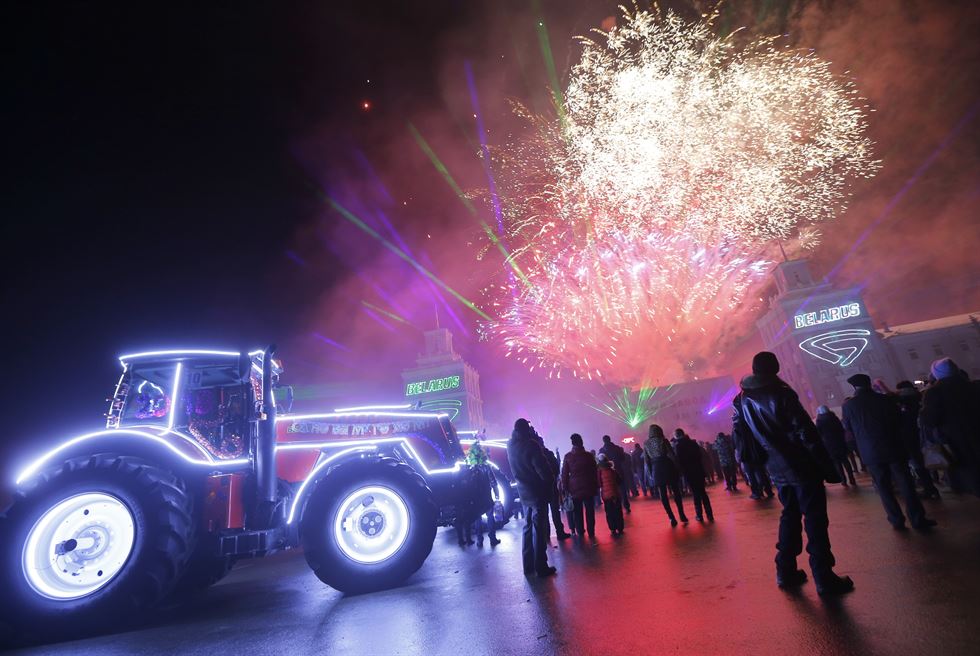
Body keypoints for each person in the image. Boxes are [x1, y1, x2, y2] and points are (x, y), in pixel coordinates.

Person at [732, 351, 853, 595]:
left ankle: (785, 570)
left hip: (776, 467)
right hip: (801, 464)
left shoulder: (743, 399)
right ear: (775, 368)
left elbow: (745, 435)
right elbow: (805, 432)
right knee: (815, 519)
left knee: (790, 515)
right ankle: (823, 576)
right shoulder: (781, 393)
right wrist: (825, 465)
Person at [843, 374, 936, 532]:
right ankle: (917, 519)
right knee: (906, 484)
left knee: (884, 487)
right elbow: (899, 420)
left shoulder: (849, 406)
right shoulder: (884, 400)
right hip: (893, 447)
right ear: (869, 384)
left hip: (870, 452)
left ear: (854, 387)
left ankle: (896, 520)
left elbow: (848, 428)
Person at [921, 358, 980, 496]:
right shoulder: (973, 386)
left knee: (971, 471)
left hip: (956, 439)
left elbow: (929, 420)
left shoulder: (935, 392)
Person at [506, 418, 557, 577]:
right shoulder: (531, 446)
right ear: (527, 430)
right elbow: (544, 472)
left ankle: (528, 565)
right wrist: (551, 480)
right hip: (537, 492)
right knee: (539, 530)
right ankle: (541, 566)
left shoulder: (510, 445)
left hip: (523, 493)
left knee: (527, 528)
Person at [894, 381, 941, 499]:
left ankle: (929, 488)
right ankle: (932, 483)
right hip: (925, 434)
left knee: (917, 464)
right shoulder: (921, 397)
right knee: (926, 460)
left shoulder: (903, 402)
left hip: (910, 437)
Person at [643, 424, 688, 526]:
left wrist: (650, 474)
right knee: (676, 491)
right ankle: (682, 514)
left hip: (656, 469)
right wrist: (678, 467)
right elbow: (671, 455)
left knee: (663, 494)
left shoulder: (646, 443)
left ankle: (671, 517)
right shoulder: (663, 440)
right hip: (667, 466)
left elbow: (646, 460)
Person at [533, 430, 572, 540]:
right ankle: (560, 532)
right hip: (552, 485)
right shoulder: (548, 453)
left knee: (544, 513)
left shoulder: (535, 455)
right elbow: (556, 466)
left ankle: (546, 535)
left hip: (541, 488)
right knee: (555, 511)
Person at [561, 433, 599, 539]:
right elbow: (594, 471)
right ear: (581, 442)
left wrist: (565, 488)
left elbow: (564, 474)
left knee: (577, 511)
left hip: (574, 488)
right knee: (590, 511)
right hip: (588, 486)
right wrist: (596, 485)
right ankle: (591, 531)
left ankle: (580, 531)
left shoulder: (568, 456)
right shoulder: (588, 456)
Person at [465, 441, 501, 547]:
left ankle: (479, 541)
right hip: (487, 496)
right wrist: (497, 494)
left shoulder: (470, 468)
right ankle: (492, 538)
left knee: (477, 519)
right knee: (490, 517)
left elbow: (467, 485)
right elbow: (493, 482)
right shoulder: (486, 467)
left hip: (476, 498)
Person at [675, 429, 714, 522]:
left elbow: (680, 461)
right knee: (703, 492)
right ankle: (709, 514)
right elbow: (699, 455)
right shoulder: (693, 443)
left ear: (676, 435)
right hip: (699, 470)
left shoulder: (679, 446)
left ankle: (699, 515)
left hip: (689, 472)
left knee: (695, 493)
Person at [815, 406, 856, 487]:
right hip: (840, 442)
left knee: (837, 464)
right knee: (845, 461)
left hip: (829, 445)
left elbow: (819, 433)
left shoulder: (819, 421)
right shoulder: (834, 418)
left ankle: (843, 480)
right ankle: (852, 479)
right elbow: (841, 429)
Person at [599, 435, 632, 512]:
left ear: (603, 441)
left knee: (611, 490)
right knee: (623, 489)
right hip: (619, 470)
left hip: (607, 472)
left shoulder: (602, 450)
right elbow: (623, 458)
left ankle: (615, 508)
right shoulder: (617, 448)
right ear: (610, 439)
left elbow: (600, 462)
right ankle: (626, 506)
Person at [597, 454, 625, 534]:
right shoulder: (613, 470)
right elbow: (619, 481)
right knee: (618, 511)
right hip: (615, 493)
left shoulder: (599, 472)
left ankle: (612, 528)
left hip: (606, 496)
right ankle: (620, 527)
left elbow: (599, 484)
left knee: (609, 512)